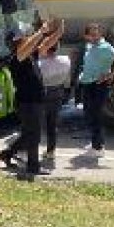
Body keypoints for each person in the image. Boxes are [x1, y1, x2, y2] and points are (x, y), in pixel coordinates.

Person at [0, 21, 54, 181]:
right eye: (25, 38)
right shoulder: (17, 58)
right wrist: (41, 32)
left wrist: (59, 30)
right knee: (33, 135)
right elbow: (32, 43)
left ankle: (6, 154)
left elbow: (46, 44)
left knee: (29, 133)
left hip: (35, 101)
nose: (28, 39)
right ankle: (33, 167)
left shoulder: (30, 55)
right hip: (27, 102)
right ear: (16, 43)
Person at [78, 23, 114, 158]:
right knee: (89, 114)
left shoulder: (105, 47)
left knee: (95, 115)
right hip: (87, 83)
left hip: (98, 85)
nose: (95, 36)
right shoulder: (89, 46)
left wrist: (110, 75)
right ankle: (97, 142)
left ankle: (98, 148)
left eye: (97, 33)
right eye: (92, 34)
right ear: (86, 36)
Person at [36, 20, 73, 163]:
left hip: (43, 94)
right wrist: (60, 29)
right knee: (52, 125)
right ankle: (51, 151)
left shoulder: (40, 64)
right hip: (58, 93)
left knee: (37, 123)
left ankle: (30, 148)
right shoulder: (65, 60)